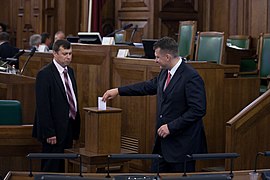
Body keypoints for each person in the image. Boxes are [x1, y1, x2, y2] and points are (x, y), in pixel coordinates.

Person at [102, 36, 207, 173]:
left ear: (168, 57)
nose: (155, 60)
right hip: (163, 144)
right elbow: (147, 87)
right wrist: (118, 91)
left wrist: (171, 127)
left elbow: (198, 110)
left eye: (157, 57)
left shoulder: (191, 77)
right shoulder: (165, 72)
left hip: (182, 146)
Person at [32, 39, 81, 172]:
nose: (68, 57)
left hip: (69, 127)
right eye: (65, 53)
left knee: (64, 167)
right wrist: (49, 132)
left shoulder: (70, 72)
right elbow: (43, 106)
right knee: (51, 167)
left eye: (70, 53)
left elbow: (72, 98)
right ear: (54, 53)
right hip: (53, 131)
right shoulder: (45, 74)